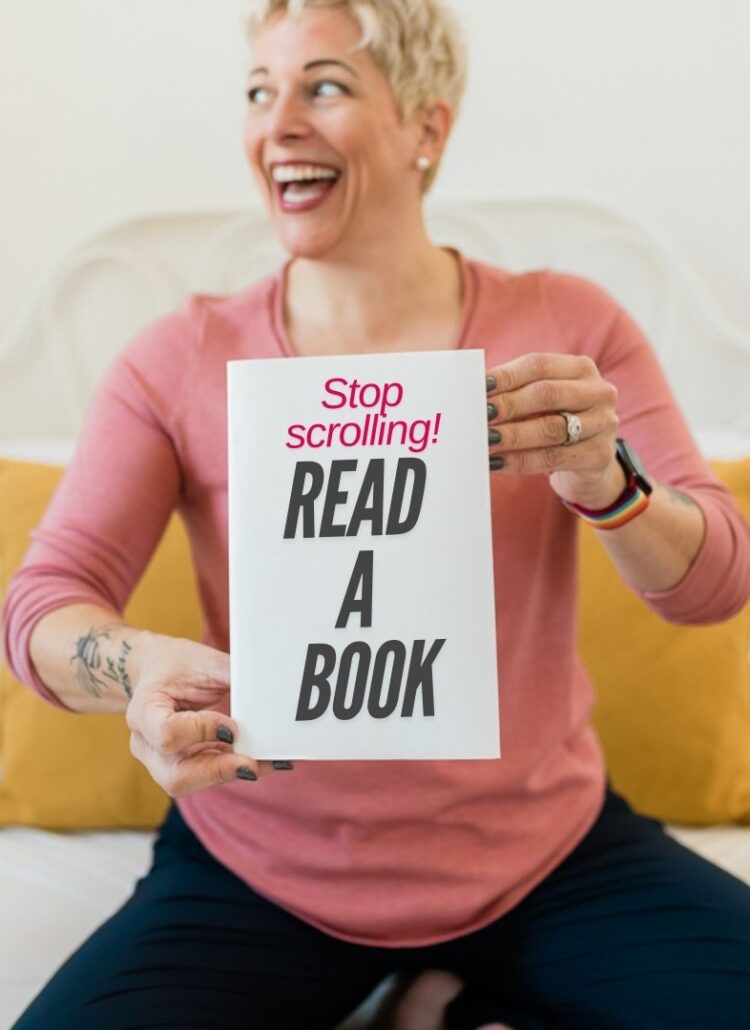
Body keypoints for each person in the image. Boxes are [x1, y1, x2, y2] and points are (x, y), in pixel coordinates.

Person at [3, 0, 750, 1027]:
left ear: (426, 129)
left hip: (548, 856)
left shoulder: (568, 328)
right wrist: (131, 668)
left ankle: (442, 996)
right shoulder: (177, 360)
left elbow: (716, 585)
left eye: (325, 86)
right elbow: (44, 603)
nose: (279, 123)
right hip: (260, 870)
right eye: (261, 93)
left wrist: (610, 485)